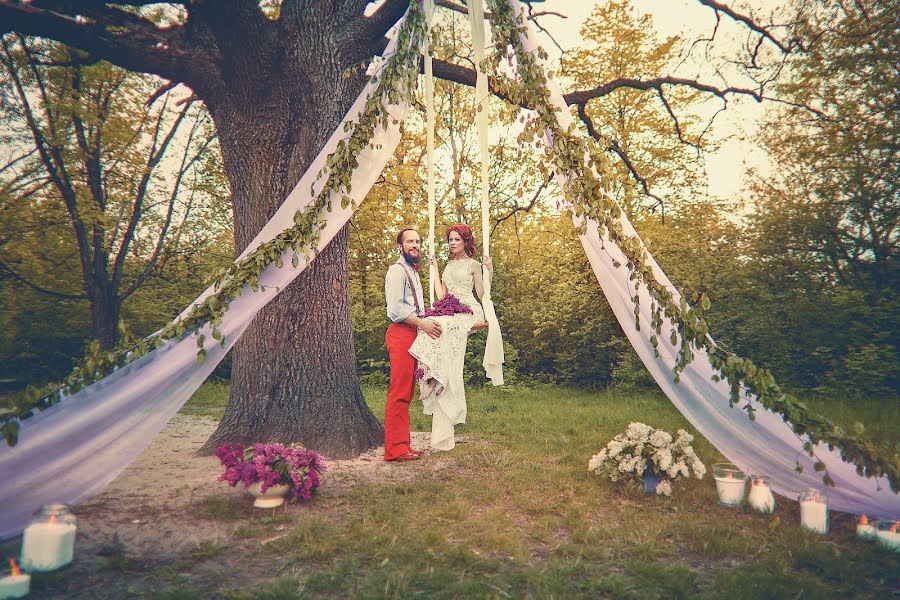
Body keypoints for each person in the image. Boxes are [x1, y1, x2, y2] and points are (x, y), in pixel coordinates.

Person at [409, 224, 494, 451]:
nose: (452, 243)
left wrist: (490, 270)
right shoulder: (448, 265)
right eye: (450, 239)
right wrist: (435, 269)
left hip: (468, 310)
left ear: (465, 241)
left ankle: (438, 377)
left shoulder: (474, 265)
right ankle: (431, 376)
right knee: (426, 325)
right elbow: (441, 295)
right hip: (451, 309)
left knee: (440, 325)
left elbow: (483, 294)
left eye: (457, 239)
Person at [383, 228, 442, 462]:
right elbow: (395, 310)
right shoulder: (397, 272)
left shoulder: (413, 271)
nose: (414, 245)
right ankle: (394, 449)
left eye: (417, 241)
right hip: (401, 333)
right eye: (409, 241)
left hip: (413, 332)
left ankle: (403, 445)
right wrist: (423, 324)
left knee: (407, 391)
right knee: (399, 391)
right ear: (400, 246)